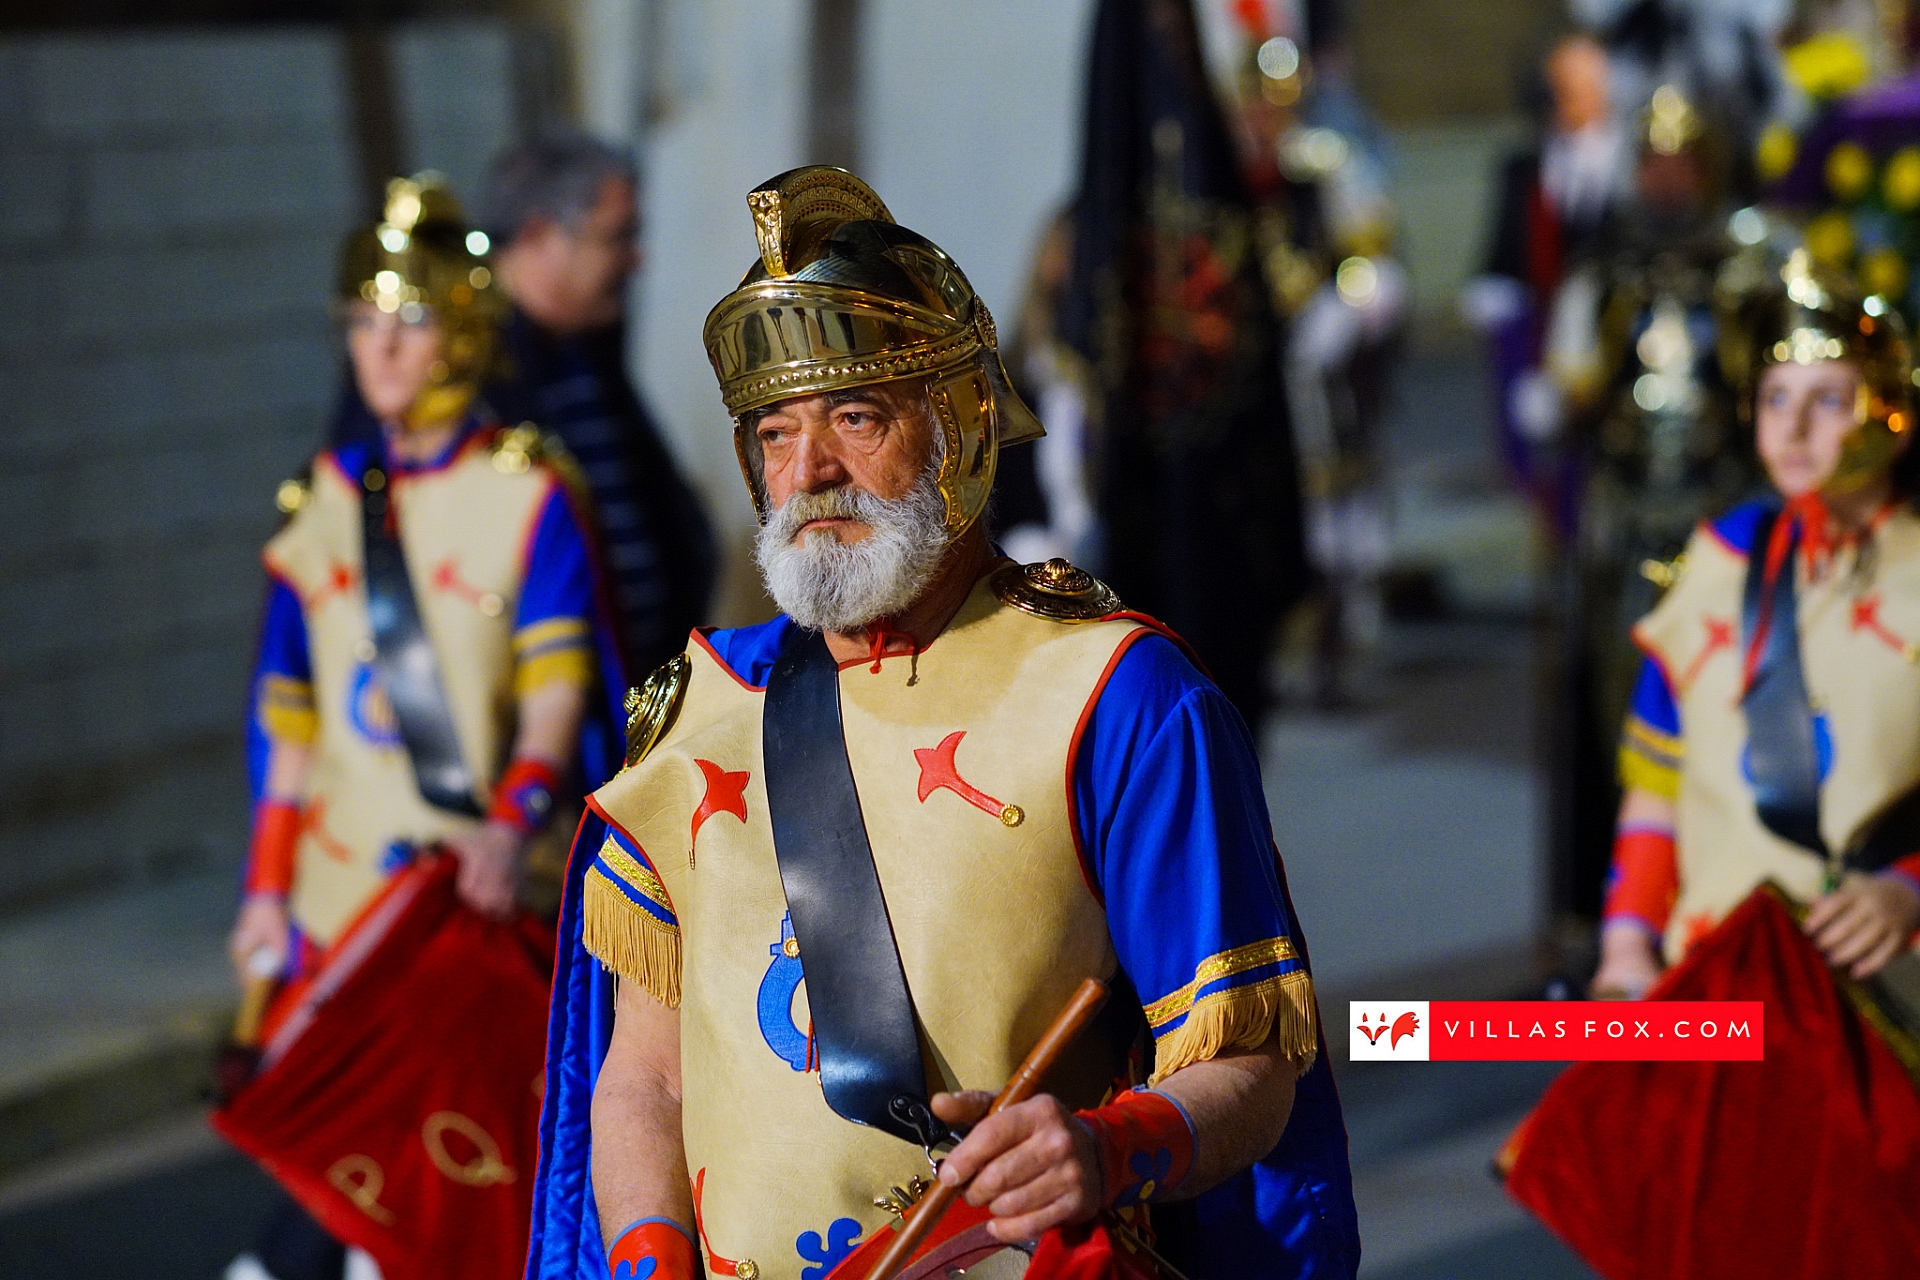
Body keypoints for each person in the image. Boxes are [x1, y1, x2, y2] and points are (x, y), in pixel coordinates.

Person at [526, 167, 1358, 1280]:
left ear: (960, 424)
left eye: (855, 417)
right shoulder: (701, 707)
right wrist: (645, 1260)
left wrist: (1109, 1147)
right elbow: (647, 1077)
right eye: (774, 432)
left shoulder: (1116, 694)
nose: (810, 471)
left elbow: (1252, 1060)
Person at [226, 175, 626, 1280]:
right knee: (334, 1174)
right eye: (362, 321)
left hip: (459, 899)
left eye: (406, 319)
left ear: (462, 329)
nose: (382, 348)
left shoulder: (530, 490)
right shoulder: (321, 502)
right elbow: (287, 715)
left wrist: (512, 822)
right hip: (335, 900)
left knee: (437, 1195)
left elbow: (558, 684)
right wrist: (264, 886)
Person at [1590, 248, 1920, 998]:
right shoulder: (1717, 561)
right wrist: (1627, 944)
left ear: (1893, 413)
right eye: (1775, 398)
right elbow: (1659, 784)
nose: (1794, 427)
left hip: (1880, 991)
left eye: (1829, 399)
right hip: (1712, 977)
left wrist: (1908, 890)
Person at [477, 132, 716, 679]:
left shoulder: (587, 353)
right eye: (617, 237)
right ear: (538, 236)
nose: (636, 260)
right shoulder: (473, 380)